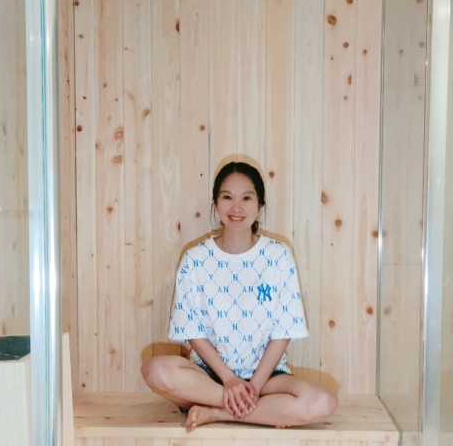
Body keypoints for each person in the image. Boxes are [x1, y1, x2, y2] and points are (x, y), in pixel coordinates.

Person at [142, 160, 338, 432]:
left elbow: (284, 331)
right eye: (227, 197)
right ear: (216, 203)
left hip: (266, 380)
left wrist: (254, 385)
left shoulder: (278, 256)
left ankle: (218, 413)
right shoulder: (194, 259)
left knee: (323, 402)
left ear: (259, 204)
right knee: (155, 371)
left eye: (246, 198)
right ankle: (257, 410)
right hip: (208, 379)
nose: (236, 207)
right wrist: (229, 381)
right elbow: (192, 330)